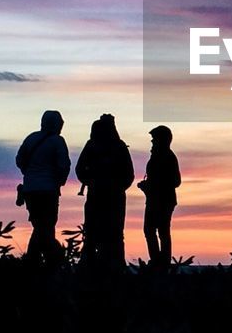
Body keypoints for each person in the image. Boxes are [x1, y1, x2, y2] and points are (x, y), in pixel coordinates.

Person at [74, 114, 134, 271]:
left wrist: (91, 182)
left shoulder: (93, 145)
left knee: (94, 233)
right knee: (112, 234)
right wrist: (117, 187)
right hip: (110, 197)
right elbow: (129, 175)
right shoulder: (118, 146)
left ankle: (89, 267)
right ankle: (114, 267)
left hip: (100, 195)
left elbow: (80, 169)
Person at [16, 110, 71, 267]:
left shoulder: (31, 138)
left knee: (40, 226)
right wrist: (59, 181)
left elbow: (19, 159)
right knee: (45, 227)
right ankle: (49, 261)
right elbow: (64, 165)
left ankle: (36, 262)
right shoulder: (57, 141)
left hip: (30, 190)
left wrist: (29, 173)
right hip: (48, 191)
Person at [138, 124, 181, 269]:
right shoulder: (158, 155)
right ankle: (158, 261)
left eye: (154, 139)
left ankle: (161, 262)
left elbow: (176, 181)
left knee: (159, 230)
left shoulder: (168, 156)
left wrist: (153, 185)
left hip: (162, 200)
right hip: (154, 199)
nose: (152, 142)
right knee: (152, 230)